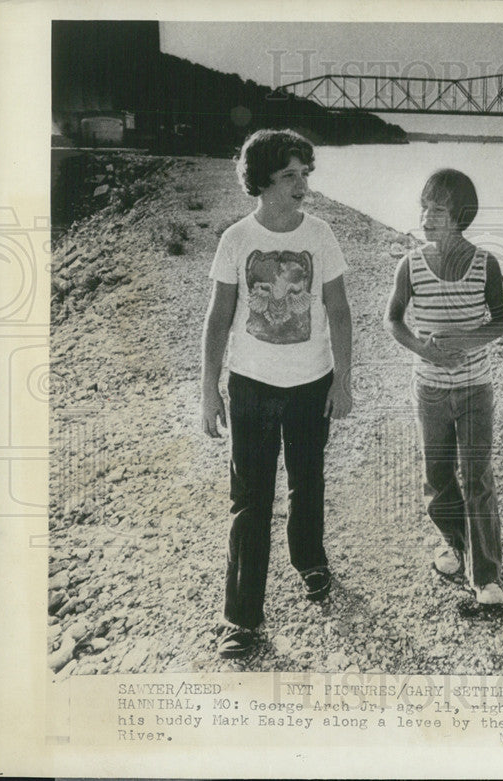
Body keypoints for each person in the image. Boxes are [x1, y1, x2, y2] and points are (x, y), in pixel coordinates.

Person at [201, 129, 353, 658]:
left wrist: (344, 378)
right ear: (261, 181)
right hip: (251, 387)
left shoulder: (322, 235)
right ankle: (240, 618)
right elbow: (218, 319)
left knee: (308, 482)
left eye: (305, 173)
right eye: (290, 175)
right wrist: (209, 390)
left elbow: (338, 309)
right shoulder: (236, 240)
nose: (302, 184)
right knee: (250, 501)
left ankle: (309, 560)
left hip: (312, 384)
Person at [384, 168, 503, 605]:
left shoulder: (485, 264)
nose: (425, 217)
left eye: (436, 209)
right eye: (424, 207)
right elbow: (394, 320)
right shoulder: (411, 264)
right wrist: (425, 349)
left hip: (476, 388)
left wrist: (462, 341)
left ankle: (487, 575)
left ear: (459, 216)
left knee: (477, 478)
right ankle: (453, 542)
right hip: (430, 390)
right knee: (438, 476)